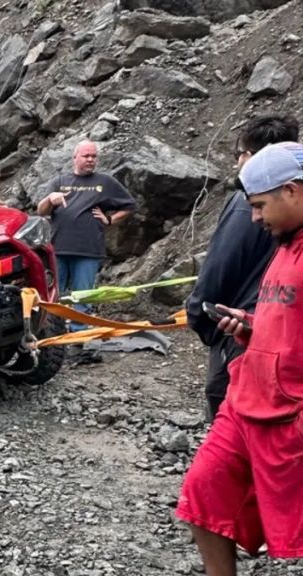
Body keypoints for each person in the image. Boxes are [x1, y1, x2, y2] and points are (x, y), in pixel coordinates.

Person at [175, 141, 303, 575]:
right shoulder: (286, 243)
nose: (255, 218)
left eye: (260, 205)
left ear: (292, 191)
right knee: (202, 493)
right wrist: (251, 327)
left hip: (290, 414)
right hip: (247, 399)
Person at [185, 116, 297, 422]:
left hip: (242, 332)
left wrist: (200, 316)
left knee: (231, 410)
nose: (256, 215)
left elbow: (221, 265)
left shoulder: (245, 203)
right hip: (267, 330)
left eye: (241, 154)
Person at [35, 140, 137, 326]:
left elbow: (129, 205)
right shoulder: (59, 181)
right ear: (75, 158)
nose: (90, 160)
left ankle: (78, 341)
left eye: (94, 156)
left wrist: (110, 220)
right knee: (53, 296)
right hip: (58, 249)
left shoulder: (105, 182)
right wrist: (50, 198)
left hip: (88, 251)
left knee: (83, 297)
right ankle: (53, 335)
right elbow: (41, 211)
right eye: (86, 156)